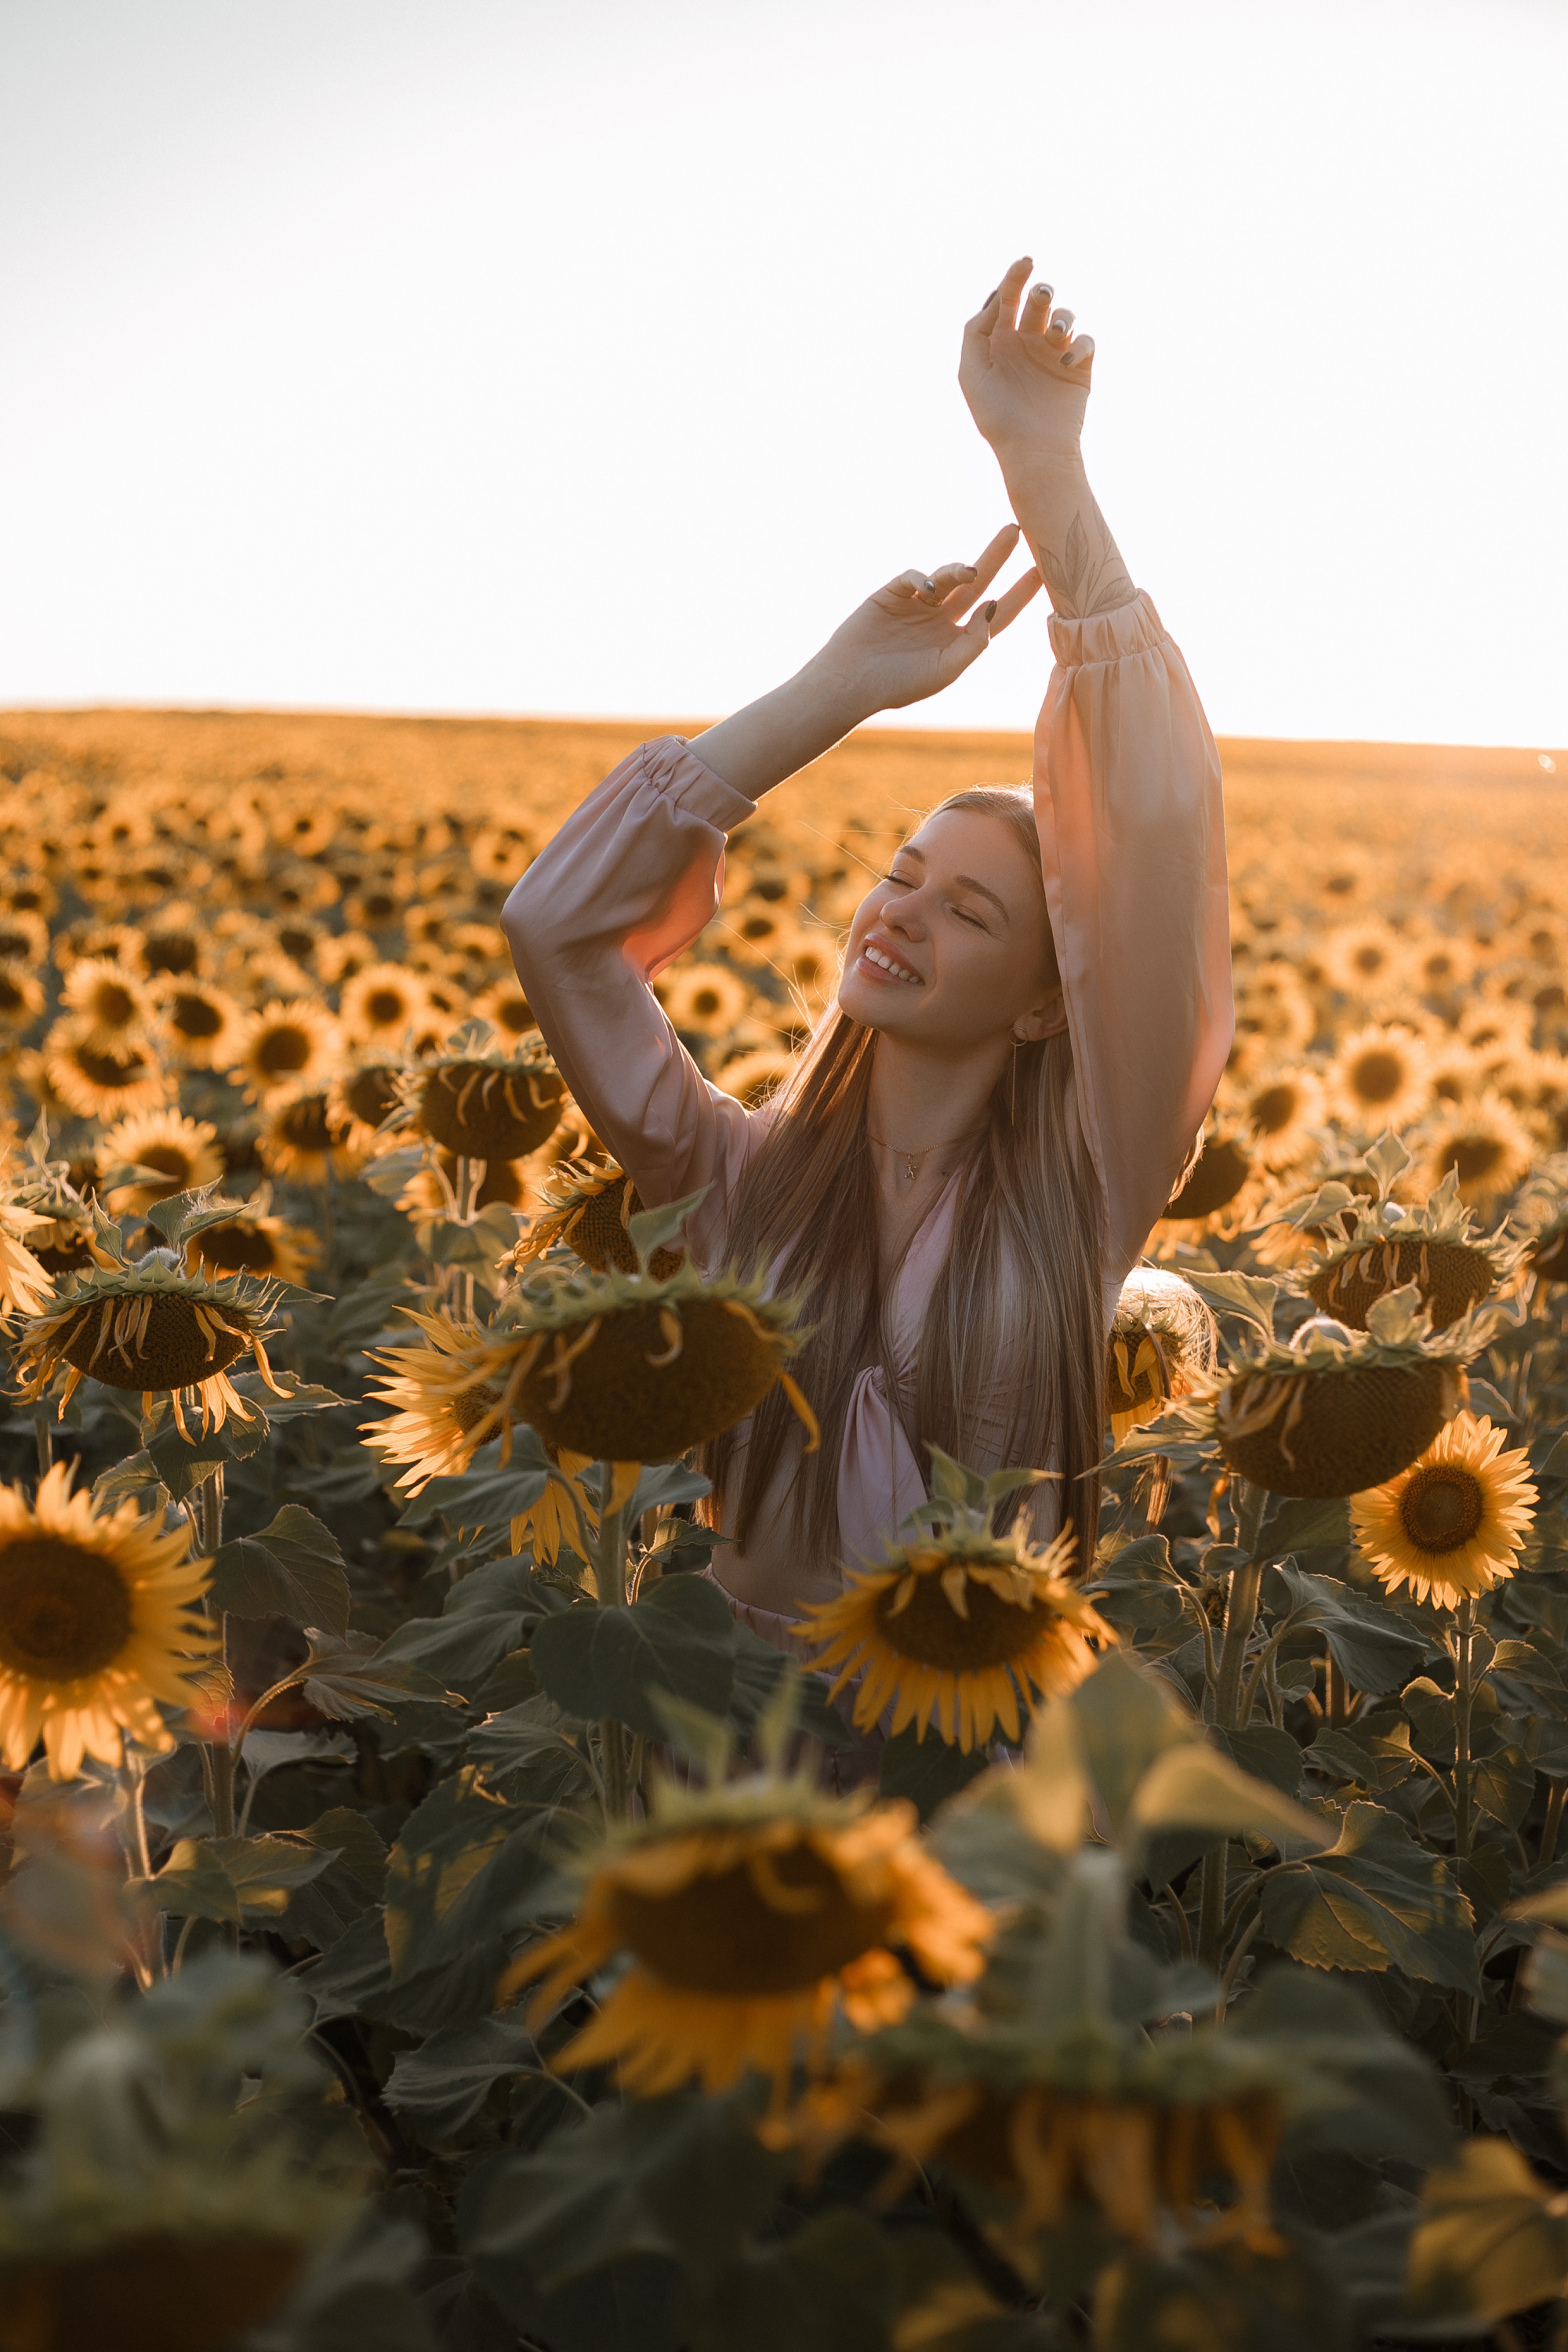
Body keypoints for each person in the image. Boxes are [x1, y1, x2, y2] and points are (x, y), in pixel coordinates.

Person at [504, 255, 1233, 1664]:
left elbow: (1149, 846)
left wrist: (1048, 481)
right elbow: (560, 930)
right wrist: (836, 687)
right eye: (900, 881)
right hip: (748, 1757)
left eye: (969, 915)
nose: (898, 915)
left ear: (1046, 1007)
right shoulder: (736, 1179)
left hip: (984, 1757)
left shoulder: (1088, 1181)